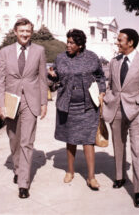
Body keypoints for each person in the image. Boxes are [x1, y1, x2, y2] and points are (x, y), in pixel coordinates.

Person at [103, 28, 139, 208]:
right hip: (116, 110)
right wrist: (109, 99)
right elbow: (110, 84)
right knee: (118, 146)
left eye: (120, 40)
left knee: (137, 150)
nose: (117, 43)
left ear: (130, 42)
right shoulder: (114, 61)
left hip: (136, 112)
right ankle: (120, 177)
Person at [0, 18, 48, 199]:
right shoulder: (4, 52)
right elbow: (0, 80)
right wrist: (0, 104)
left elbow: (42, 78)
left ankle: (23, 183)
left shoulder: (39, 51)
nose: (25, 34)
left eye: (28, 31)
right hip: (10, 99)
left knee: (27, 141)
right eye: (22, 31)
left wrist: (43, 103)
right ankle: (18, 168)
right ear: (15, 32)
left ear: (31, 32)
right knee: (14, 139)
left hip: (30, 101)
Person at [48, 29, 106, 190]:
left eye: (71, 43)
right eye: (67, 42)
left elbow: (101, 76)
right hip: (68, 106)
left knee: (88, 140)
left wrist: (102, 91)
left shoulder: (92, 57)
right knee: (70, 139)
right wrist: (52, 76)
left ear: (80, 45)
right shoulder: (60, 58)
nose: (68, 45)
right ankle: (70, 171)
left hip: (88, 106)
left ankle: (91, 177)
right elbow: (55, 76)